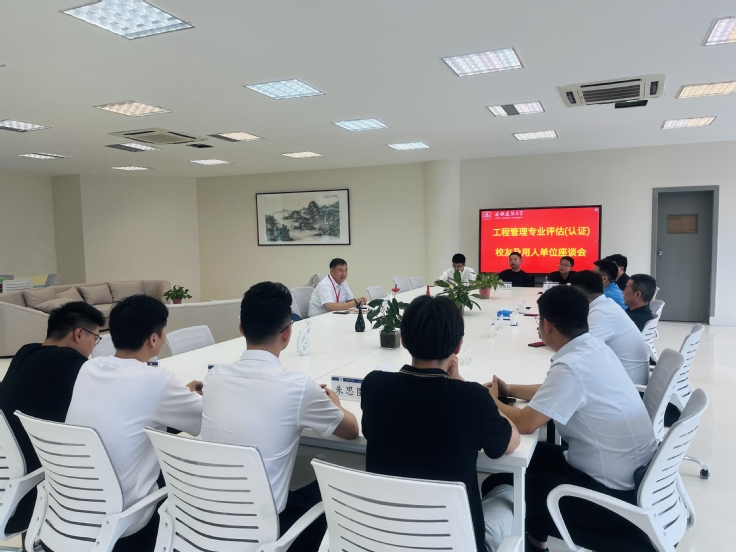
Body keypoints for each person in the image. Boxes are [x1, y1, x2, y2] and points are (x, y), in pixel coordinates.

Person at [482, 285, 657, 552]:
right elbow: (553, 392)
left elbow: (526, 423)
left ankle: (531, 544)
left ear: (547, 325)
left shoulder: (571, 366)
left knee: (500, 482)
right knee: (532, 457)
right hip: (631, 482)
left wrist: (490, 400)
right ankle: (536, 543)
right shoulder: (593, 348)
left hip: (609, 499)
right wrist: (510, 390)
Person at [202, 282, 359, 552]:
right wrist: (336, 404)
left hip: (202, 520)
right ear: (287, 333)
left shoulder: (213, 378)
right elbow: (351, 430)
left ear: (241, 329)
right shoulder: (297, 386)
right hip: (263, 532)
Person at [361, 295, 520, 552]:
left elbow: (370, 432)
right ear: (458, 346)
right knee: (510, 494)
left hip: (387, 540)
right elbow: (511, 441)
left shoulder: (374, 386)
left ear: (403, 340)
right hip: (457, 543)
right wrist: (465, 385)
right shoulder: (472, 398)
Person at [64, 295, 203, 552]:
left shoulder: (89, 368)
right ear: (153, 339)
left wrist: (175, 395)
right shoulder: (157, 380)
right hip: (127, 518)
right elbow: (207, 420)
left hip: (71, 507)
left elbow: (129, 403)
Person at [0, 302, 105, 535]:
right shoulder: (73, 365)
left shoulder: (24, 352)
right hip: (35, 496)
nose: (93, 346)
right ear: (79, 334)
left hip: (8, 484)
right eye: (95, 338)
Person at [570, 271, 650, 385]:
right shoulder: (606, 305)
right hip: (625, 378)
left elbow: (580, 350)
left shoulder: (602, 313)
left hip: (628, 386)